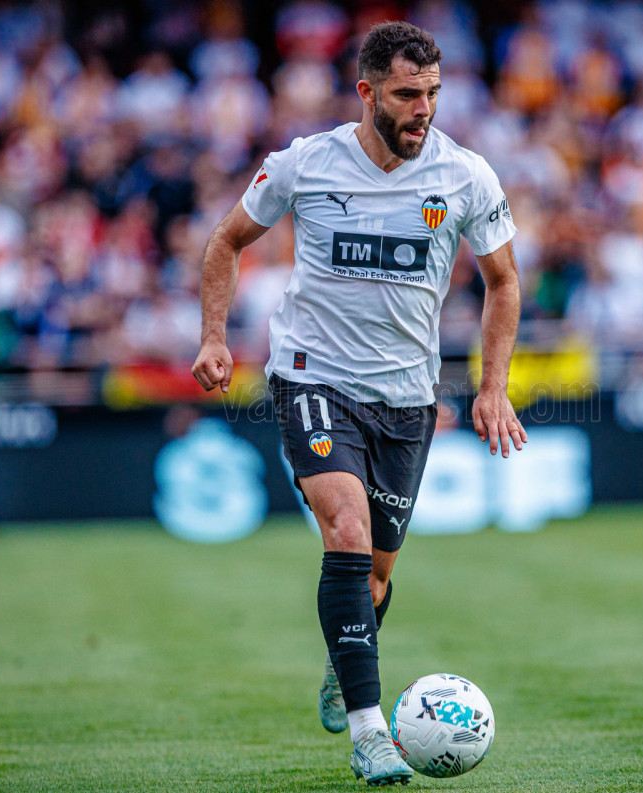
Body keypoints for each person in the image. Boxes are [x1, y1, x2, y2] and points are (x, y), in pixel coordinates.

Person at [191, 21, 526, 787]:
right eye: (408, 94)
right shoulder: (306, 163)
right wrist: (213, 336)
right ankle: (373, 734)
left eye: (433, 93)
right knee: (345, 526)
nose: (423, 109)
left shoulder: (465, 176)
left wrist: (494, 385)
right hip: (312, 376)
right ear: (367, 92)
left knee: (373, 574)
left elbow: (504, 281)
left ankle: (347, 659)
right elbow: (226, 240)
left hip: (407, 398)